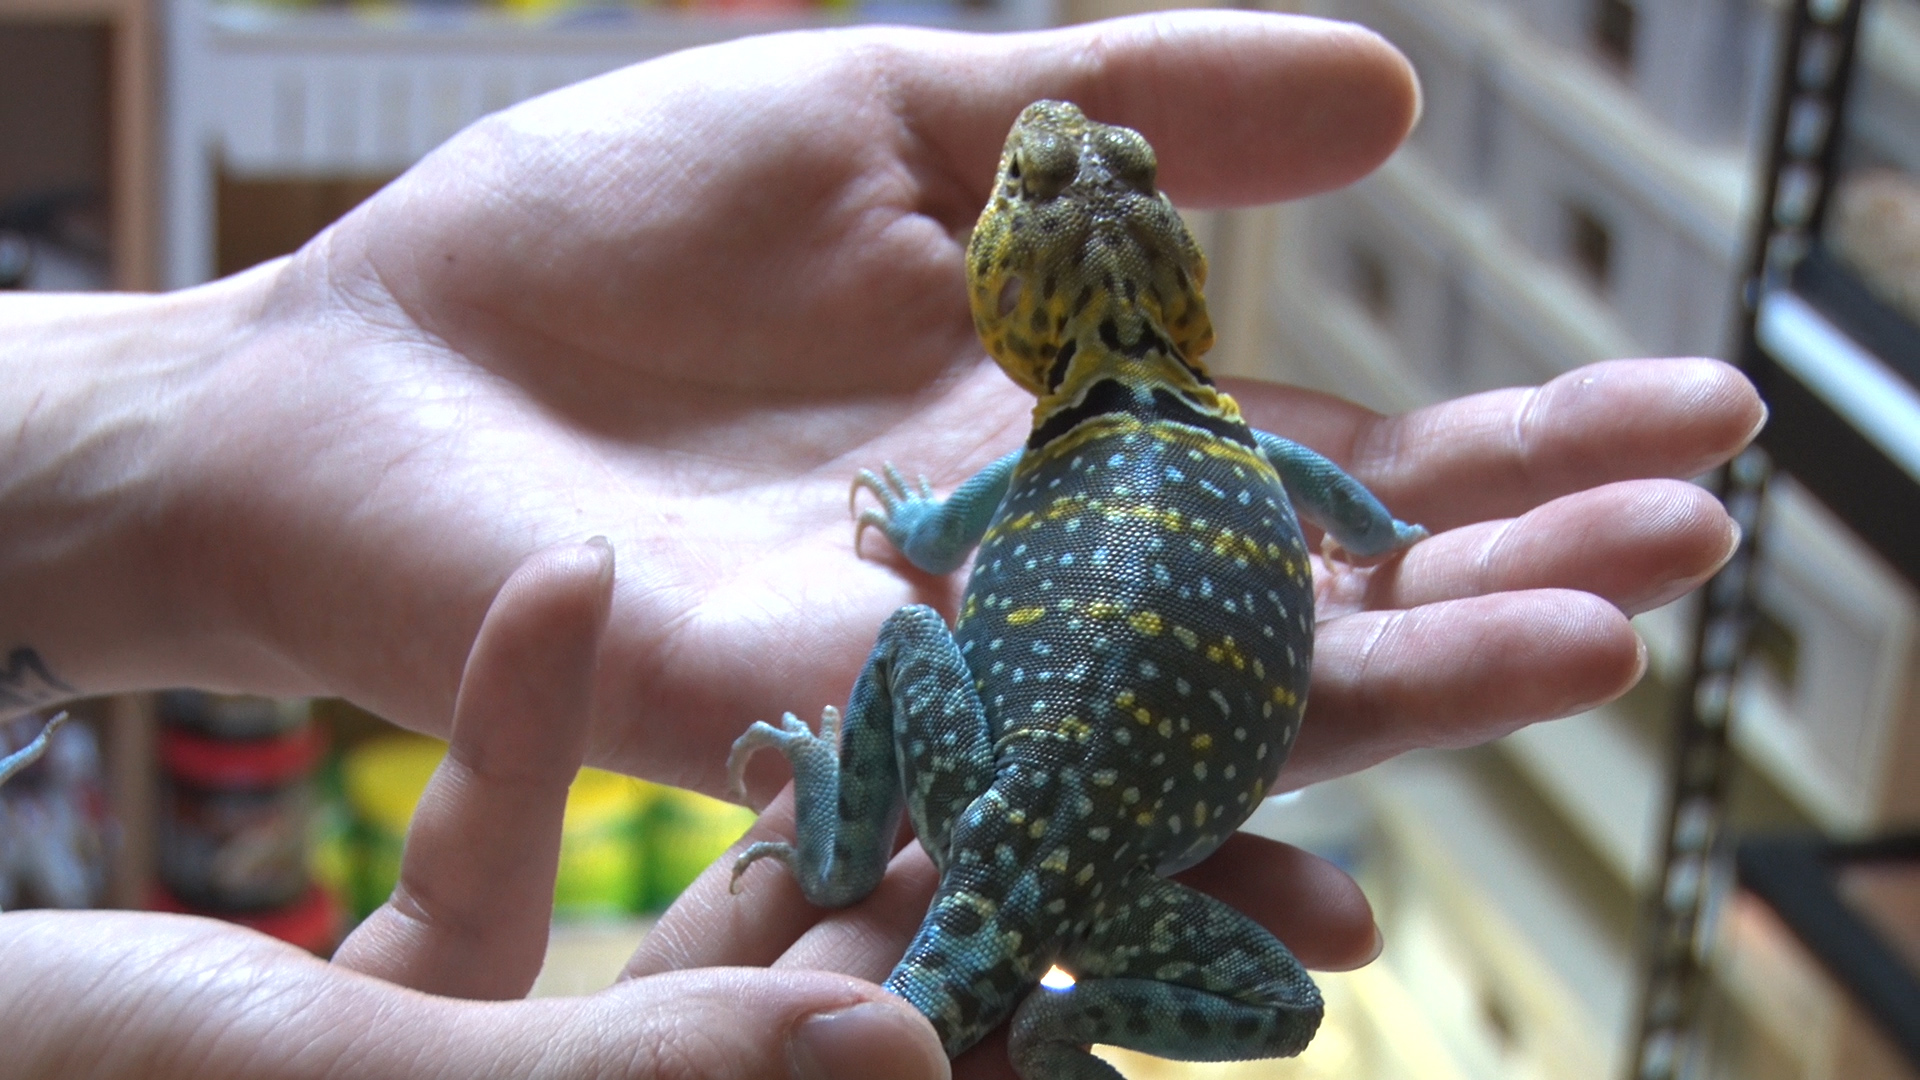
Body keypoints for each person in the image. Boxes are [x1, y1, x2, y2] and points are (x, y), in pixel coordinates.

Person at [0, 9, 1764, 1079]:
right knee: (1294, 1013)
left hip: (975, 817)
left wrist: (913, 539)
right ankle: (1064, 1026)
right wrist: (1374, 551)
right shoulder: (1249, 451)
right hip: (1111, 893)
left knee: (912, 646)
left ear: (1012, 311)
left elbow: (927, 551)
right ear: (1180, 284)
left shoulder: (1038, 465)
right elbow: (1367, 519)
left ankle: (840, 837)